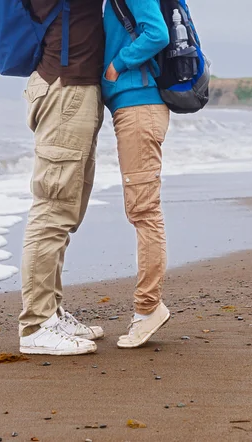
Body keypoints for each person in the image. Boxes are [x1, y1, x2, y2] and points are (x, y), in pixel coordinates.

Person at [18, 0, 106, 356]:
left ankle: (50, 313)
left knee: (65, 209)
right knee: (53, 208)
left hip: (71, 86)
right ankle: (35, 326)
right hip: (64, 87)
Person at [102, 0, 172, 348]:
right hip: (132, 106)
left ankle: (148, 309)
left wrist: (118, 64)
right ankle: (148, 307)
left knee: (144, 211)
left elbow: (156, 33)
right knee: (141, 210)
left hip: (139, 105)